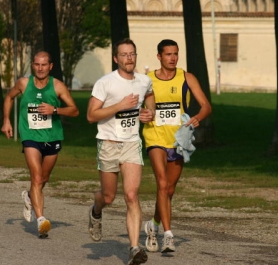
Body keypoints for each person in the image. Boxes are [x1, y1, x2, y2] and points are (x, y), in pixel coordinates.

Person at [87, 38, 155, 265]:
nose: (129, 58)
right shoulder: (105, 83)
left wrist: (149, 112)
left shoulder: (144, 81)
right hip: (107, 143)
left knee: (132, 195)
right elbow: (91, 115)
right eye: (124, 55)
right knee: (108, 196)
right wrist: (120, 106)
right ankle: (96, 211)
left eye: (132, 54)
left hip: (131, 144)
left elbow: (150, 97)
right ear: (116, 58)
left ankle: (135, 248)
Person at [142, 39, 212, 253]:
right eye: (168, 54)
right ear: (159, 56)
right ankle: (168, 236)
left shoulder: (186, 77)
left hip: (178, 139)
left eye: (175, 54)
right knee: (162, 184)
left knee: (169, 190)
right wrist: (142, 115)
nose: (172, 58)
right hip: (154, 137)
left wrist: (197, 117)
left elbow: (206, 106)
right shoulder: (147, 80)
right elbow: (136, 106)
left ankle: (153, 225)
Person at [1, 51, 79, 238]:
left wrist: (55, 109)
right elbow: (9, 97)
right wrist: (6, 121)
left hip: (52, 137)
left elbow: (75, 110)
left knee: (43, 179)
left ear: (50, 66)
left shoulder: (58, 86)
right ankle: (41, 220)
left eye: (44, 65)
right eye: (36, 64)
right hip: (30, 136)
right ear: (32, 65)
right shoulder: (23, 83)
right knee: (36, 177)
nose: (40, 68)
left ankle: (29, 196)